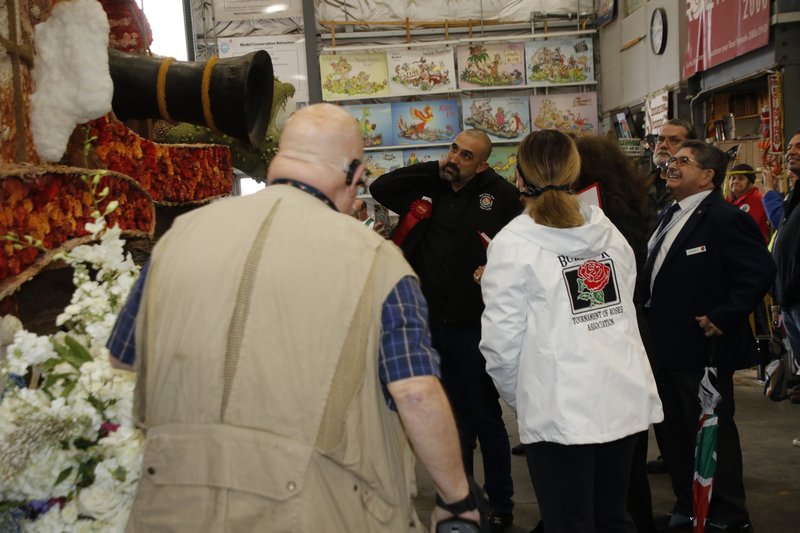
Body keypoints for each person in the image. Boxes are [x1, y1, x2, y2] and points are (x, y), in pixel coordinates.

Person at [106, 103, 481, 532]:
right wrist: (457, 498)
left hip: (172, 505)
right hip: (317, 507)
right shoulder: (378, 262)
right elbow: (414, 392)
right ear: (354, 175)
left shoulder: (179, 239)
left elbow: (121, 361)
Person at [479, 129, 663, 533]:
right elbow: (624, 313)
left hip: (558, 407)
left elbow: (501, 345)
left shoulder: (513, 243)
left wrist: (524, 397)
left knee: (569, 522)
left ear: (519, 177)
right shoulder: (606, 231)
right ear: (574, 171)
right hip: (620, 396)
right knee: (613, 517)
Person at [370, 129, 521, 533]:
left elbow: (521, 246)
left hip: (476, 328)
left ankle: (502, 503)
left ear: (483, 164)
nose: (455, 158)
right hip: (431, 326)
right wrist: (436, 167)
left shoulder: (501, 196)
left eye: (466, 155)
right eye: (453, 149)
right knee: (451, 422)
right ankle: (459, 499)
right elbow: (381, 187)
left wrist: (495, 269)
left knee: (486, 419)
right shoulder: (430, 186)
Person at [642, 140, 775, 533]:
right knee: (675, 434)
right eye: (672, 159)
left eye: (684, 161)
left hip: (703, 349)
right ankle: (690, 508)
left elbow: (759, 271)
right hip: (664, 346)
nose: (672, 164)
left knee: (712, 434)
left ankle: (730, 516)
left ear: (707, 176)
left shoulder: (724, 217)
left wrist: (725, 315)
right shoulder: (669, 213)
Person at [773, 131, 800, 380]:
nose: (791, 151)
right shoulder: (794, 196)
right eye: (790, 147)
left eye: (799, 147)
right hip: (789, 298)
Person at [648, 119, 698, 217]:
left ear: (691, 147)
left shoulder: (695, 186)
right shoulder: (640, 183)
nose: (663, 145)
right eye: (660, 139)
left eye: (674, 140)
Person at [727, 163, 769, 242]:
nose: (735, 181)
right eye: (733, 178)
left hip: (751, 246)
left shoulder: (756, 199)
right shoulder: (729, 200)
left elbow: (744, 228)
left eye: (741, 179)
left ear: (750, 183)